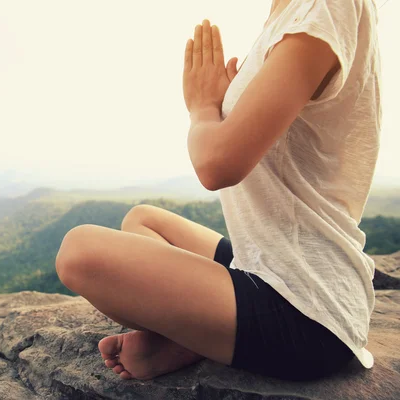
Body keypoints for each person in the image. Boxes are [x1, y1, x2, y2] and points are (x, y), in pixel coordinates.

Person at [55, 0, 381, 382]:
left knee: (79, 253)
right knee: (143, 219)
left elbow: (217, 164)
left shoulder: (324, 6)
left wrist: (203, 108)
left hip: (307, 310)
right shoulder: (287, 13)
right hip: (266, 265)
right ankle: (198, 334)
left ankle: (197, 334)